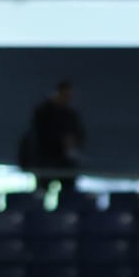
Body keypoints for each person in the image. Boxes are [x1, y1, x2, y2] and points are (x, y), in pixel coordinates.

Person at [21, 77, 84, 207]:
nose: (67, 98)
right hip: (45, 160)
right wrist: (60, 141)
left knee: (68, 193)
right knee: (41, 193)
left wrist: (72, 142)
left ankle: (66, 213)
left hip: (65, 162)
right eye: (65, 94)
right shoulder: (42, 112)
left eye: (69, 95)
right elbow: (40, 136)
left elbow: (79, 135)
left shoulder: (71, 114)